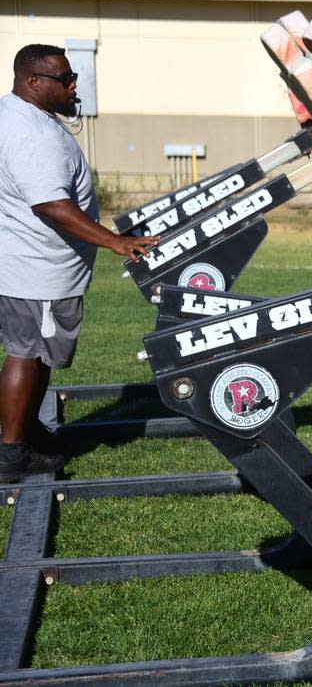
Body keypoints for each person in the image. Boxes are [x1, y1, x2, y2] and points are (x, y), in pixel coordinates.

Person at [0, 44, 157, 483]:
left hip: (31, 265)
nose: (74, 85)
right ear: (34, 82)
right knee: (26, 354)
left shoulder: (16, 115)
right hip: (35, 269)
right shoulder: (30, 132)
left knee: (38, 354)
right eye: (64, 79)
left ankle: (25, 434)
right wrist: (114, 242)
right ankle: (11, 453)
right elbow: (51, 204)